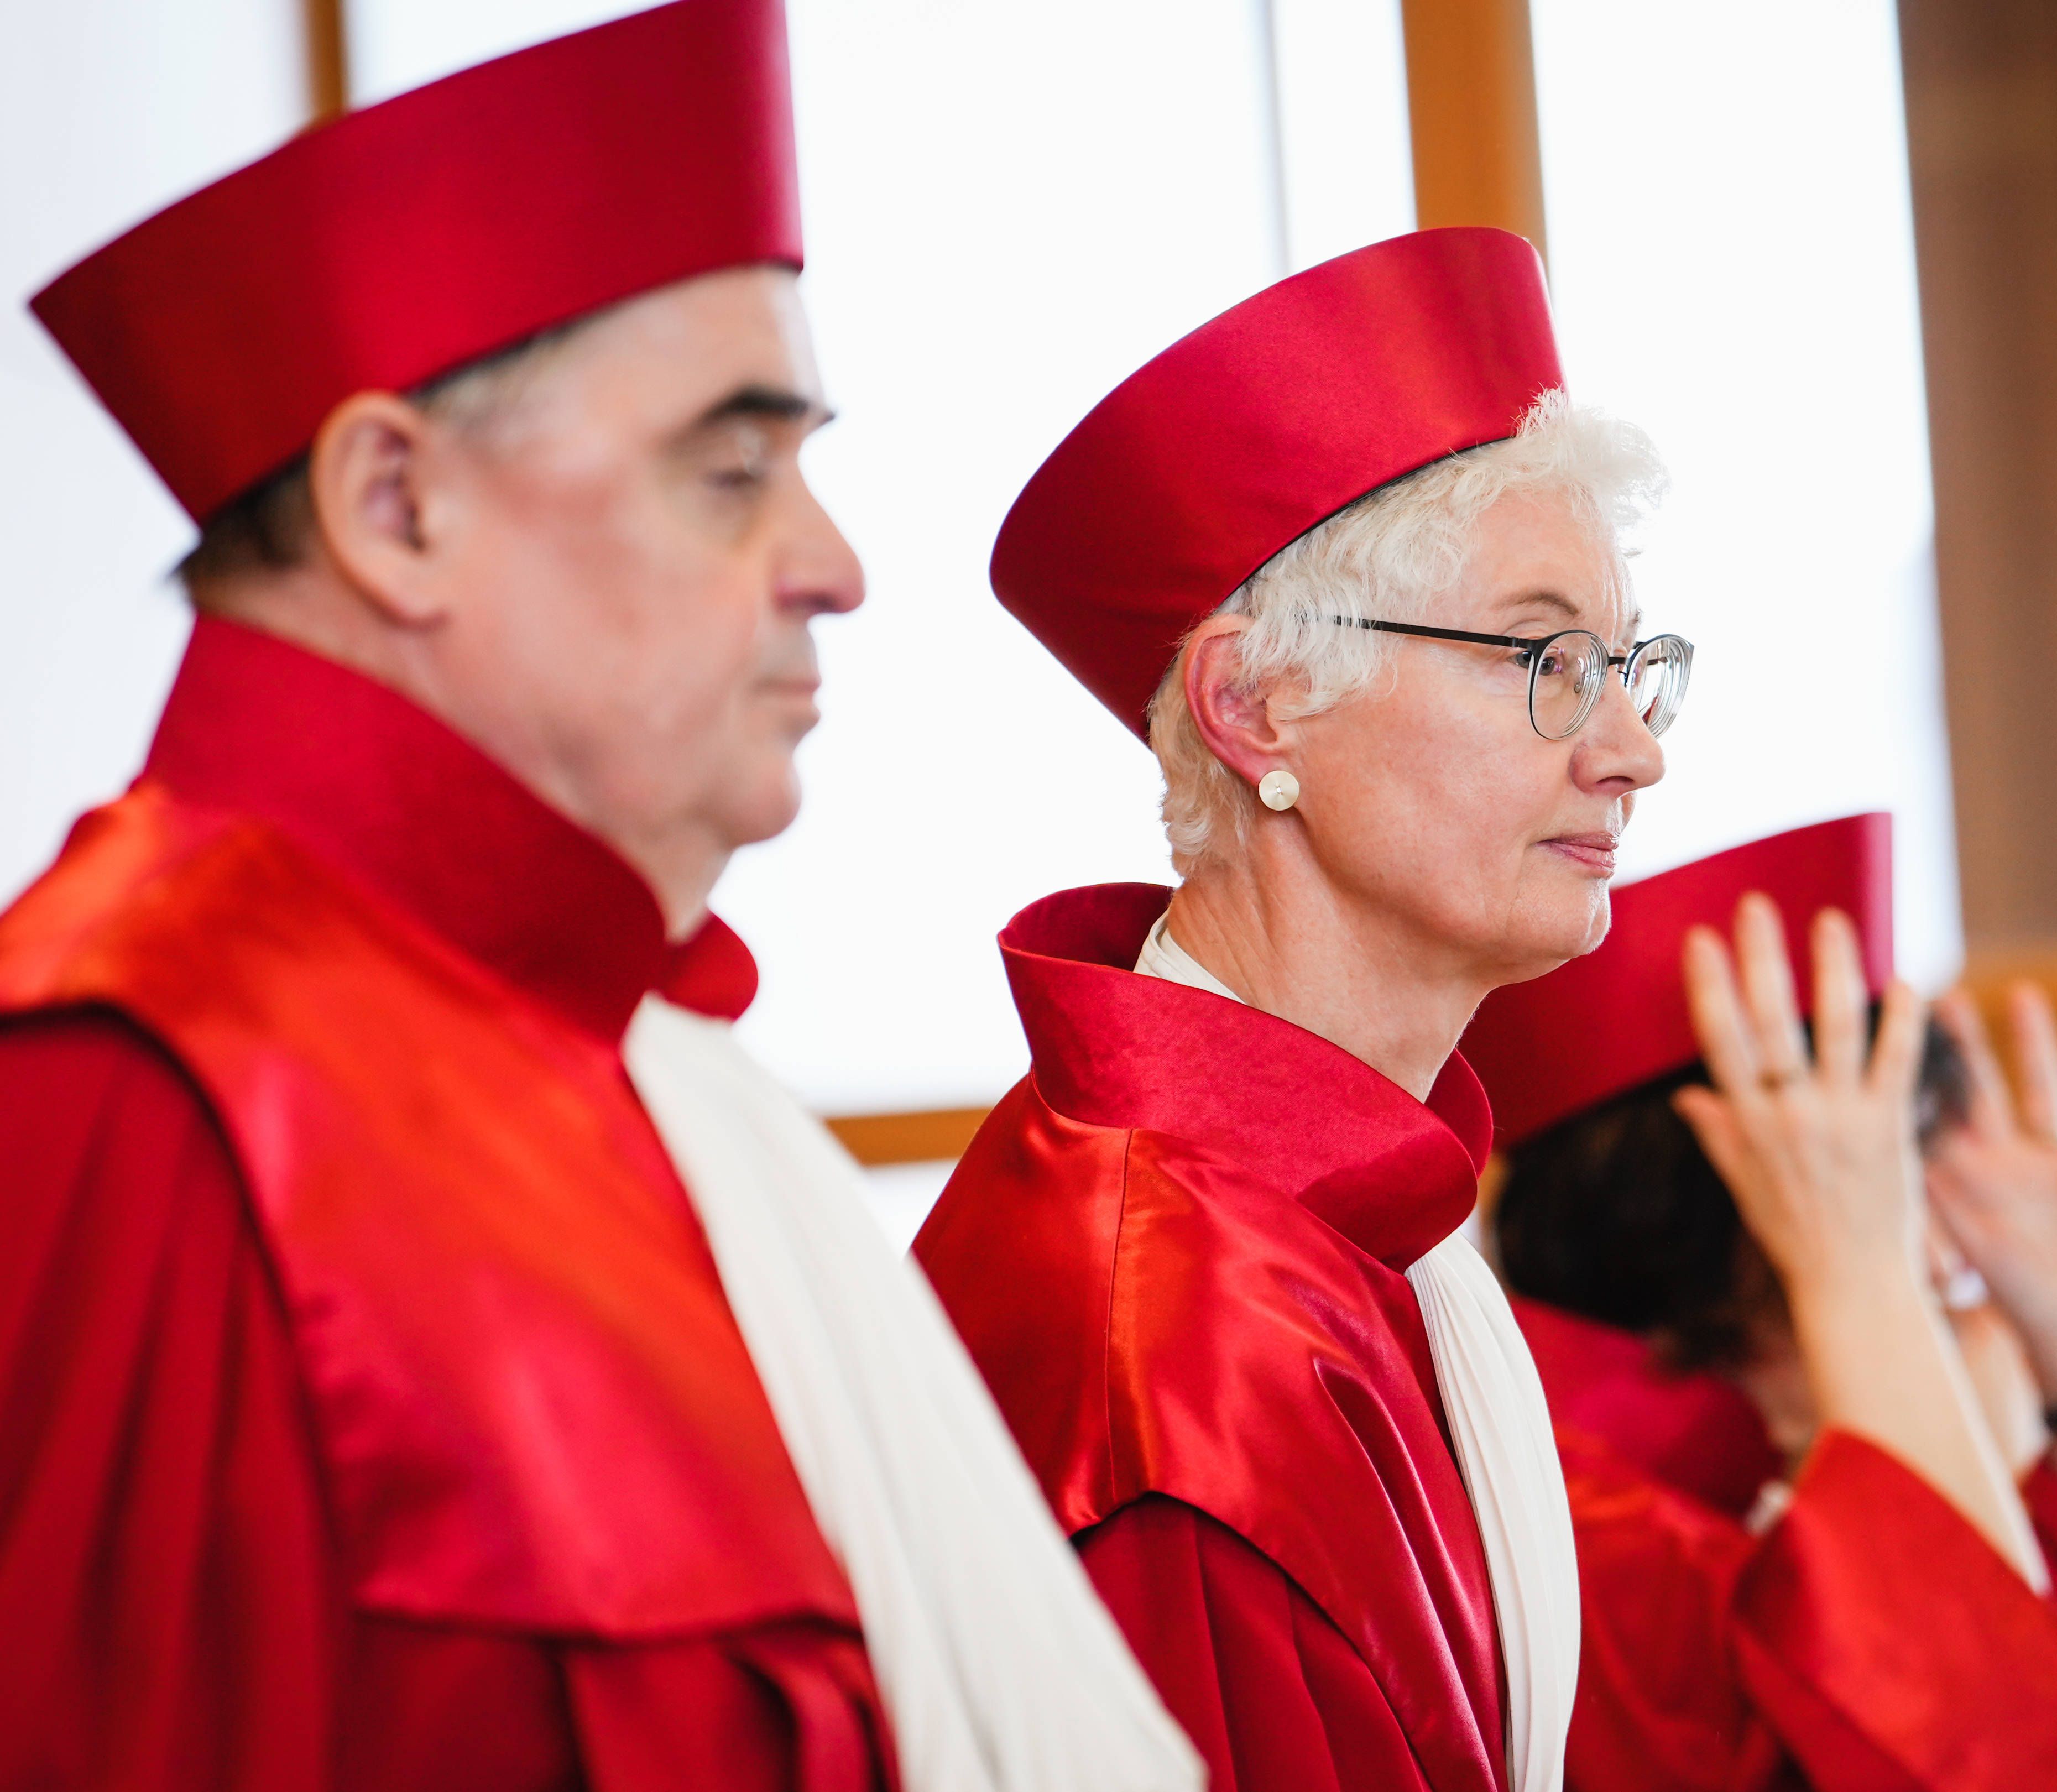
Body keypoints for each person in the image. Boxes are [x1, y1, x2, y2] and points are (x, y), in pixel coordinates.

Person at [0, 6, 1194, 1789]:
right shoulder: (132, 1080)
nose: (836, 565)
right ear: (393, 504)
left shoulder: (618, 1069)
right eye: (730, 470)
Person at [911, 226, 1684, 1792]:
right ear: (1255, 706)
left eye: (1625, 663)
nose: (1628, 750)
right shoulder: (1177, 1338)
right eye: (1540, 657)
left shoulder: (1326, 1213)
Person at [1472, 818, 2057, 1790]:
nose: (1948, 1247)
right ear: (1738, 1205)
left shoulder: (1850, 1420)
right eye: (1901, 1167)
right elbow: (2045, 1761)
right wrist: (1860, 1273)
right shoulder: (1606, 1540)